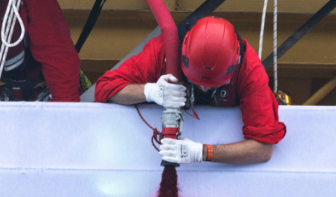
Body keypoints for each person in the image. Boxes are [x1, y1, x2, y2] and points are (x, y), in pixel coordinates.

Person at [94, 16, 286, 165]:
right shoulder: (163, 52)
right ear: (183, 54)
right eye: (197, 80)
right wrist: (149, 92)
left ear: (234, 65)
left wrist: (202, 152)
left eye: (213, 84)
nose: (204, 88)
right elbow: (104, 88)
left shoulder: (249, 69)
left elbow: (263, 149)